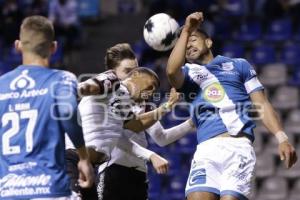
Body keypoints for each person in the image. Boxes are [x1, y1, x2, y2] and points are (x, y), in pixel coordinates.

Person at [166, 12, 298, 200]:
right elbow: (171, 70)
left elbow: (261, 103)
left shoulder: (239, 65)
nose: (188, 45)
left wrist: (281, 137)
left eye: (193, 39)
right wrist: (187, 30)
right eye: (185, 43)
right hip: (206, 150)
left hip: (238, 148)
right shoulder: (187, 74)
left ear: (209, 42)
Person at [0, 16, 94, 199]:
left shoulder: (1, 85)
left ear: (18, 45)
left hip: (8, 191)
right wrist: (83, 157)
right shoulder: (62, 79)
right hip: (49, 188)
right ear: (54, 47)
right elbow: (68, 111)